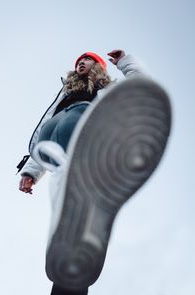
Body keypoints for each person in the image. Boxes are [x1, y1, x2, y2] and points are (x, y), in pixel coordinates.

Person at [17, 50, 171, 295]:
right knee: (63, 190)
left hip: (88, 138)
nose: (80, 62)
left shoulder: (107, 90)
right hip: (57, 144)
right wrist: (31, 171)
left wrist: (124, 61)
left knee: (70, 182)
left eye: (86, 60)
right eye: (78, 61)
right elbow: (46, 124)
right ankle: (72, 224)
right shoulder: (65, 92)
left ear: (98, 66)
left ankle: (81, 219)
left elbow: (142, 85)